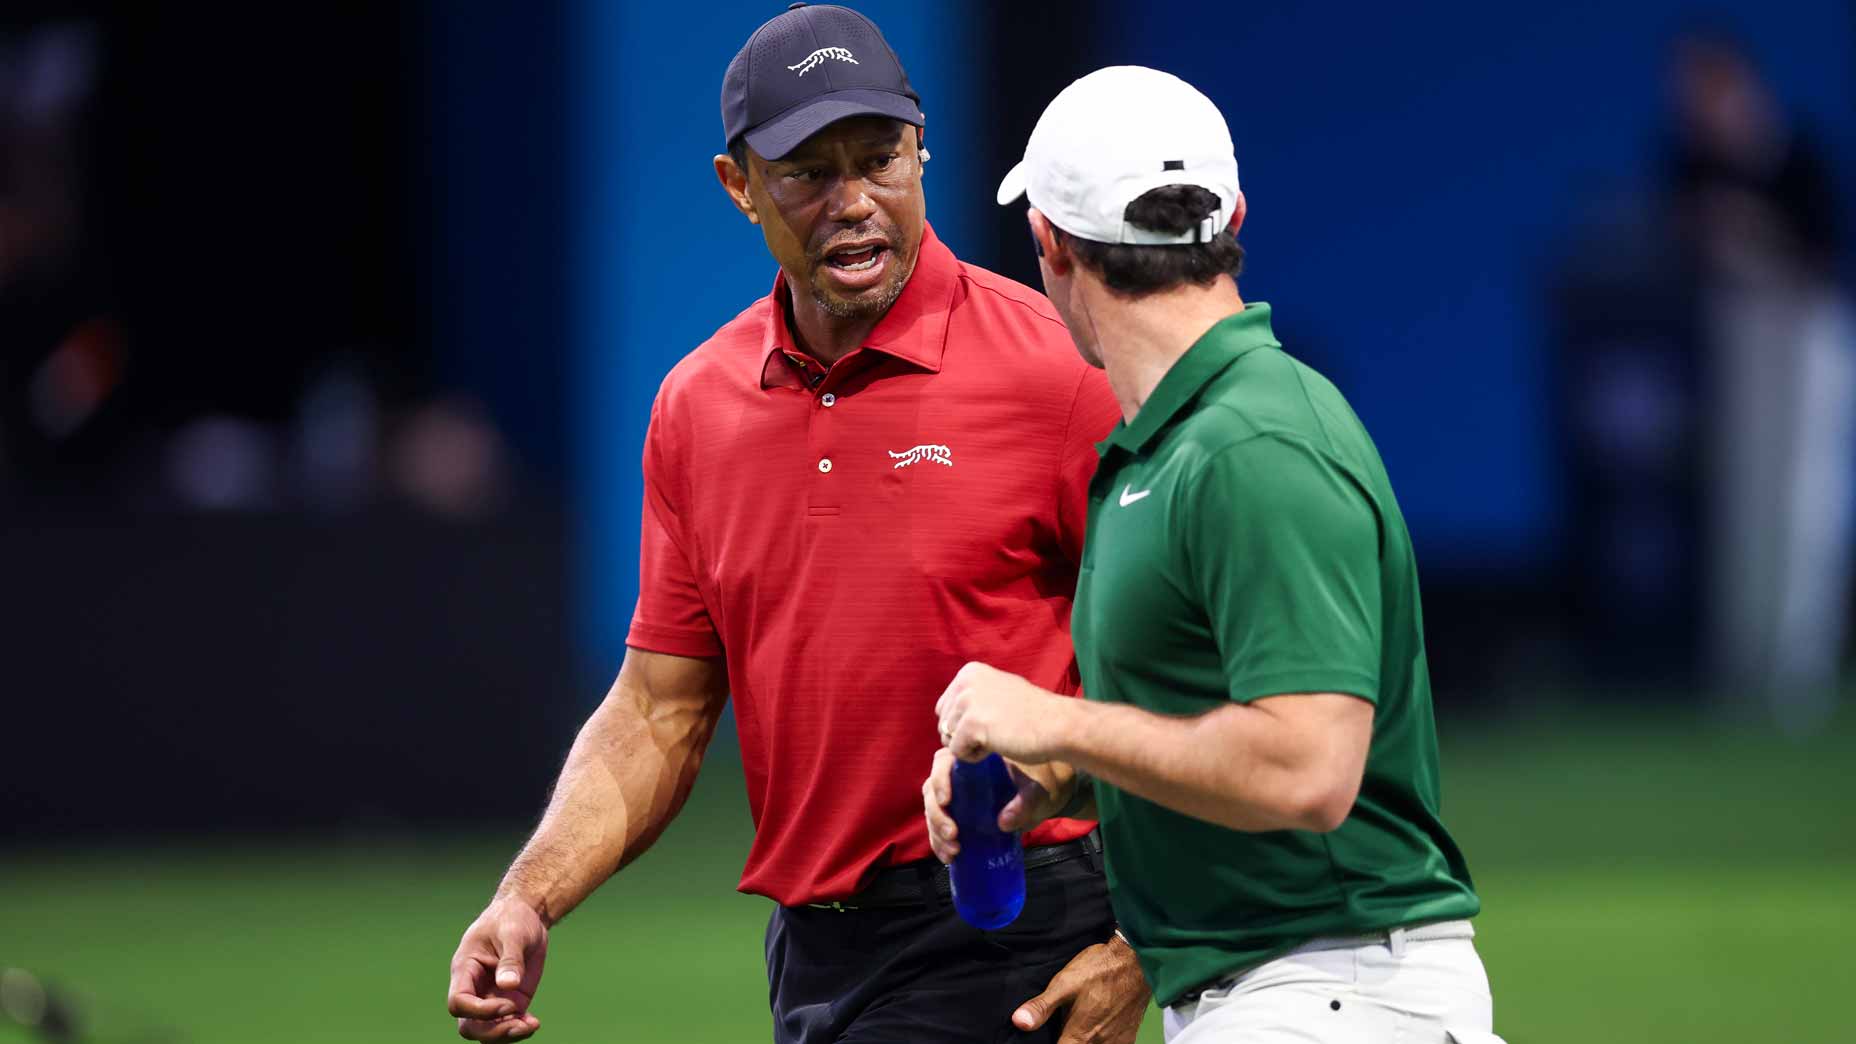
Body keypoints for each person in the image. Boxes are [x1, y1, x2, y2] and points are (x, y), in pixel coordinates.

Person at [445, 7, 1146, 1044]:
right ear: (740, 189)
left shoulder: (1057, 372)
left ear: (923, 151)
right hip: (813, 953)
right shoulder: (697, 407)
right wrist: (527, 897)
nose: (854, 203)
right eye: (808, 174)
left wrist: (1149, 940)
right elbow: (658, 712)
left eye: (879, 160)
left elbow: (1191, 675)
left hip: (1014, 929)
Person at [923, 66, 1503, 1043]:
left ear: (1050, 244)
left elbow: (1307, 770)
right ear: (1231, 213)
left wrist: (1061, 723)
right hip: (1295, 997)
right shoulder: (1174, 442)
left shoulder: (1250, 443)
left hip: (1331, 995)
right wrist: (1057, 776)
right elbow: (1213, 727)